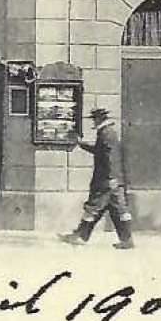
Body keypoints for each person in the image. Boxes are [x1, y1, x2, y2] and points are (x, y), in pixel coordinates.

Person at [60, 106, 135, 250]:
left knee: (94, 207)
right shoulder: (108, 132)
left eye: (94, 119)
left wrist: (111, 178)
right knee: (118, 210)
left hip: (107, 181)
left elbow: (110, 157)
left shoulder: (106, 133)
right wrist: (82, 144)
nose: (93, 122)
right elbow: (100, 152)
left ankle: (81, 236)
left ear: (99, 119)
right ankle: (127, 240)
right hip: (113, 180)